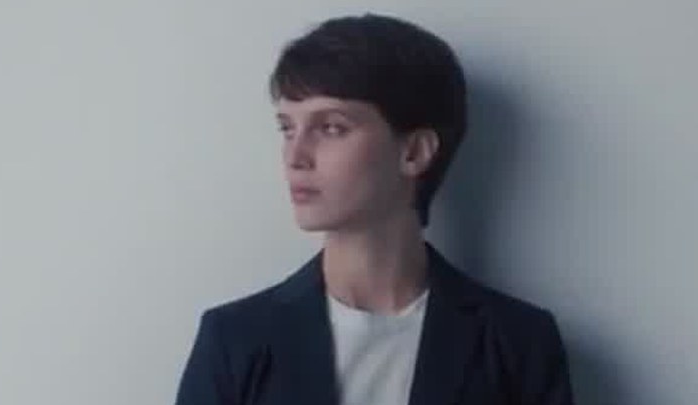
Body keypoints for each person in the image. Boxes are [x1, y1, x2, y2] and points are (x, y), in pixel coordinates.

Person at [175, 13, 574, 405]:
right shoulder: (234, 341)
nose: (295, 156)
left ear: (414, 152)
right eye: (287, 128)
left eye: (331, 127)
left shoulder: (519, 344)